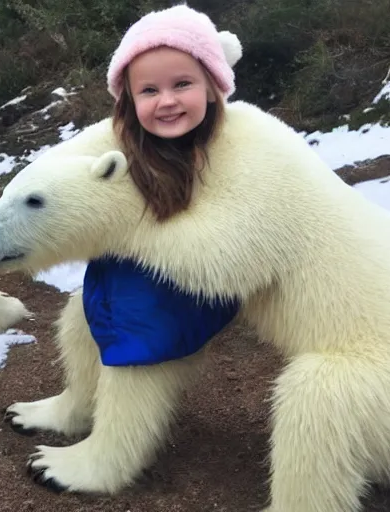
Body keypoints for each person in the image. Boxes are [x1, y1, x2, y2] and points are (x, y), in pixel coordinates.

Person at [81, 4, 242, 368]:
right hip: (120, 291)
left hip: (191, 295)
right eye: (149, 90)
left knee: (141, 353)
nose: (167, 101)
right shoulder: (118, 146)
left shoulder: (239, 143)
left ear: (213, 88)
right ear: (130, 100)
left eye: (182, 84)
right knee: (85, 323)